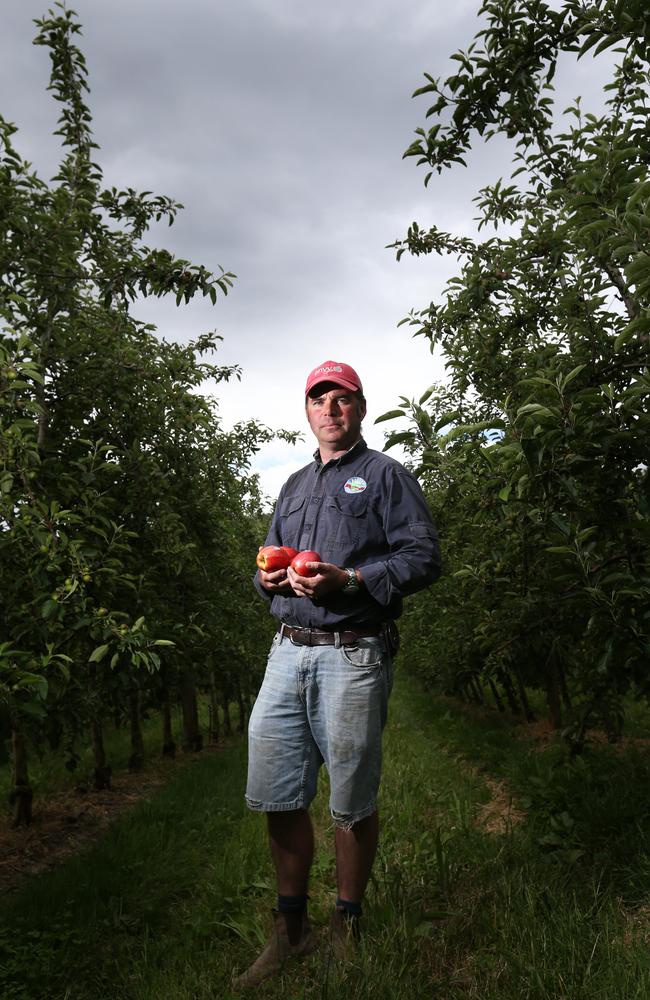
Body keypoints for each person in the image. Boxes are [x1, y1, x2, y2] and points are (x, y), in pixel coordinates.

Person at [234, 360, 441, 988]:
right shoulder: (294, 484)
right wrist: (266, 577)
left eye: (342, 398)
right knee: (276, 791)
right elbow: (267, 562)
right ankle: (289, 932)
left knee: (350, 800)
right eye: (319, 398)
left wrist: (351, 579)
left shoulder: (385, 477)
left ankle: (347, 925)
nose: (330, 408)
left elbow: (424, 556)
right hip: (287, 649)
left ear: (360, 407)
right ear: (307, 411)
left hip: (353, 652)